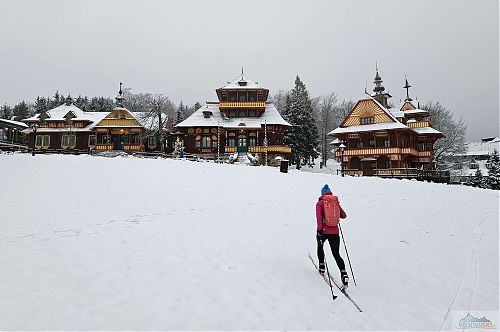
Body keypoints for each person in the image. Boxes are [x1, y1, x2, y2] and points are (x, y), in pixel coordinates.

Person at [316, 184, 349, 288]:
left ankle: (322, 266)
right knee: (336, 254)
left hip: (324, 231)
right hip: (335, 233)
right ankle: (344, 274)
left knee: (320, 247)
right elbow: (344, 215)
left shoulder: (320, 203)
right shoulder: (335, 202)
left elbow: (318, 218)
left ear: (322, 193)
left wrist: (320, 230)